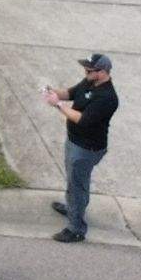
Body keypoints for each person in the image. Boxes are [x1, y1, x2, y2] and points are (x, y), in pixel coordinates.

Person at [43, 54, 118, 242]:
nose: (85, 72)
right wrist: (53, 93)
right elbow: (70, 92)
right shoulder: (89, 82)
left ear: (102, 73)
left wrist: (58, 105)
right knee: (73, 179)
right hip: (74, 141)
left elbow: (82, 120)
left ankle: (76, 229)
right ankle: (72, 208)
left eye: (89, 70)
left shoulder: (108, 97)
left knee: (78, 186)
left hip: (87, 149)